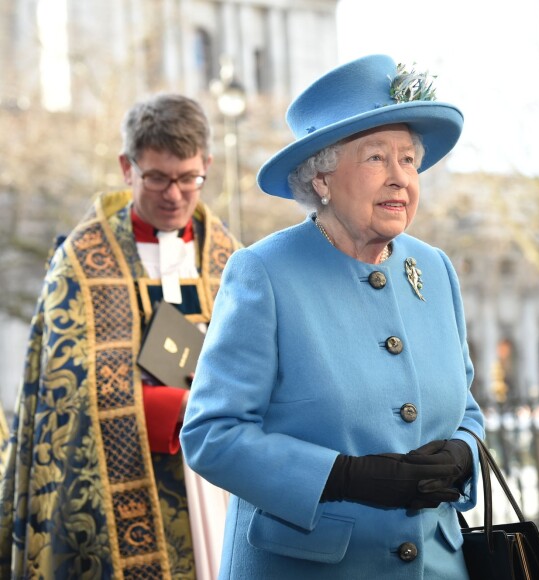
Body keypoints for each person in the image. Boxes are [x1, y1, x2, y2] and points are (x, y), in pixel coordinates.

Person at [180, 54, 485, 579]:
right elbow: (212, 434)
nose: (399, 179)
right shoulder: (264, 273)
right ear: (321, 176)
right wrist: (341, 477)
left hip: (437, 564)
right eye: (375, 158)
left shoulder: (433, 269)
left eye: (408, 160)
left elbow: (468, 408)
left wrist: (463, 452)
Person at [0, 94, 240, 579]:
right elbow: (64, 385)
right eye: (156, 178)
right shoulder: (82, 260)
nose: (174, 194)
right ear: (126, 167)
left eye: (189, 178)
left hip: (221, 477)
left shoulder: (232, 258)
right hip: (122, 489)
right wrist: (175, 409)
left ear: (207, 166)